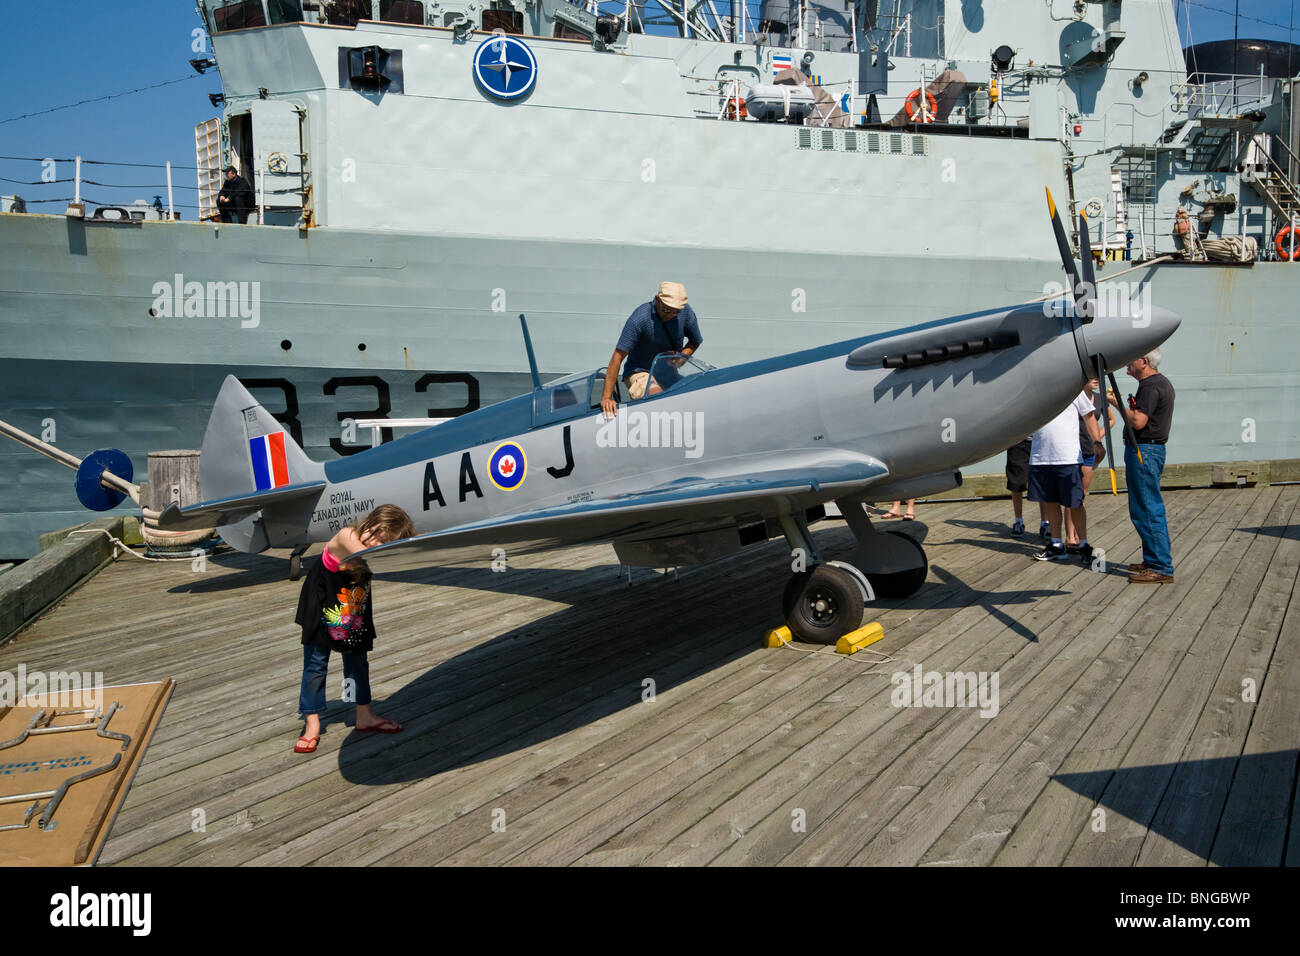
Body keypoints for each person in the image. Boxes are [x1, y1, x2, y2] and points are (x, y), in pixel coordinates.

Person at [293, 504, 415, 753]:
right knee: (316, 664)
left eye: (382, 540)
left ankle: (363, 715)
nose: (372, 541)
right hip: (322, 602)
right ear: (368, 522)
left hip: (352, 608)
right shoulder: (348, 536)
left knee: (357, 663)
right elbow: (376, 557)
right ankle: (312, 723)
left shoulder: (376, 548)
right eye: (373, 533)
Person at [1109, 349, 1175, 583]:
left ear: (1144, 362)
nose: (1127, 362)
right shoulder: (1159, 383)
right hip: (1149, 451)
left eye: (1132, 358)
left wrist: (1115, 402)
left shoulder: (1150, 386)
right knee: (1147, 506)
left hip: (1144, 451)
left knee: (1146, 508)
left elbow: (1138, 421)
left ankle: (1160, 567)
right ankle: (1154, 559)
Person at [600, 281, 703, 416]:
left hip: (668, 373)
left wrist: (679, 360)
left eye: (675, 312)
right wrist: (606, 398)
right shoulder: (639, 319)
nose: (670, 315)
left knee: (695, 398)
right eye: (666, 309)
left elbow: (695, 341)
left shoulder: (686, 312)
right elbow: (617, 356)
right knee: (657, 397)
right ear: (656, 299)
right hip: (640, 371)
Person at [1027, 391, 1103, 562]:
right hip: (1041, 457)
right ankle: (1056, 544)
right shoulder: (1032, 390)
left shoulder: (1072, 388)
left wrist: (1097, 442)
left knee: (1075, 503)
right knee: (1050, 502)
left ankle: (1083, 545)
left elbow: (1089, 415)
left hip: (1068, 457)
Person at [1064, 377, 1116, 561]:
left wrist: (1097, 439)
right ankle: (1070, 536)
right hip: (1072, 450)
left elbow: (1111, 419)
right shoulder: (1073, 396)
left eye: (1097, 377)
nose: (1095, 379)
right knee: (1072, 494)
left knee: (1082, 493)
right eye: (1091, 376)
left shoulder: (1100, 398)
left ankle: (1079, 535)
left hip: (1089, 451)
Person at [1004, 438, 1036, 536]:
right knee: (1016, 483)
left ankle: (1045, 523)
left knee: (1043, 484)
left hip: (1040, 441)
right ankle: (1018, 521)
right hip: (1018, 440)